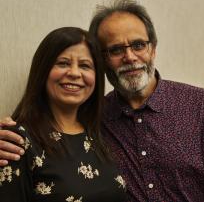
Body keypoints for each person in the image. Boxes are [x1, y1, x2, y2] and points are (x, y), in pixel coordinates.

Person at [0, 0, 204, 201]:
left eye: (138, 45)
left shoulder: (201, 106)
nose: (129, 57)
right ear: (103, 60)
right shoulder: (96, 120)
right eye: (116, 49)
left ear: (153, 49)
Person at [0, 27, 127, 202]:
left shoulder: (100, 132)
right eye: (63, 63)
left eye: (84, 65)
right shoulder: (16, 141)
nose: (74, 73)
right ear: (43, 71)